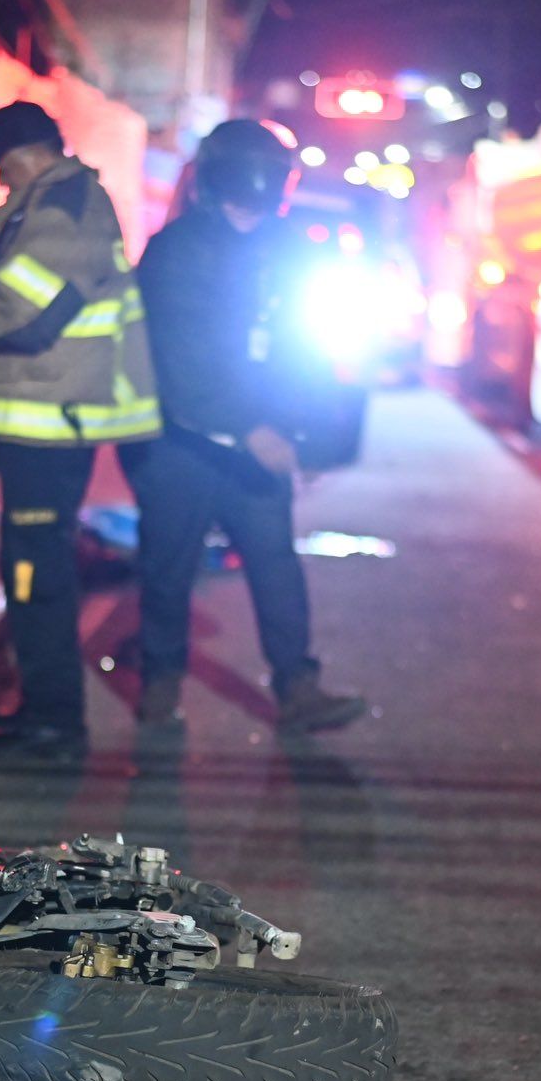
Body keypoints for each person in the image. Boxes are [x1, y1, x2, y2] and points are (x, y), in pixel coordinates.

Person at [0, 102, 161, 761]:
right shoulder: (68, 202)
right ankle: (44, 709)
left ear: (23, 158)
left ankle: (52, 719)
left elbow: (24, 315)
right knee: (36, 567)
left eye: (1, 171)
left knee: (36, 573)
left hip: (50, 422)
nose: (1, 184)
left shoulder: (61, 210)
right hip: (49, 418)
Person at [123, 119, 368, 734]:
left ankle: (298, 688)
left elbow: (304, 348)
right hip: (181, 441)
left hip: (258, 442)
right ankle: (160, 687)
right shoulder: (178, 249)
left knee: (274, 563)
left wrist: (306, 431)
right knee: (167, 569)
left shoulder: (291, 250)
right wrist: (251, 428)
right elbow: (183, 359)